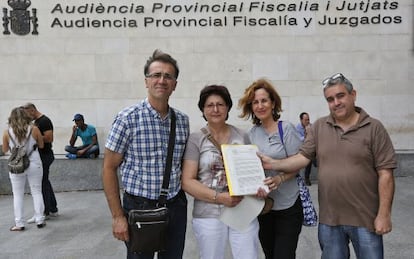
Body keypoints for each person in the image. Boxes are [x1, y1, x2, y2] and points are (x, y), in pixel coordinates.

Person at [258, 73, 396, 259]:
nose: (336, 102)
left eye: (340, 96)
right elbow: (301, 158)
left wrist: (384, 214)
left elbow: (385, 174)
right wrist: (274, 163)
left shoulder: (374, 128)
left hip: (366, 220)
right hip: (330, 221)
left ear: (353, 94)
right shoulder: (319, 127)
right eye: (330, 99)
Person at [102, 49, 189, 259]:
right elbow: (109, 168)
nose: (162, 80)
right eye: (156, 75)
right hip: (139, 208)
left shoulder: (183, 121)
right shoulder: (127, 119)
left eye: (168, 76)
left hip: (175, 207)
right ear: (146, 81)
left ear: (175, 84)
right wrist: (117, 217)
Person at [181, 85, 260, 259]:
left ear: (228, 108)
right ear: (203, 109)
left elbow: (251, 172)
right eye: (210, 105)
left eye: (220, 104)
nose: (215, 109)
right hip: (208, 213)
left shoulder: (242, 136)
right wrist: (219, 197)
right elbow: (187, 181)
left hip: (242, 209)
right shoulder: (196, 139)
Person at [238, 79, 303, 259]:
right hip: (264, 207)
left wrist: (280, 178)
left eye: (264, 100)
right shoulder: (251, 134)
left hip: (288, 206)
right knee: (270, 254)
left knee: (284, 255)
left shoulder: (286, 129)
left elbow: (299, 163)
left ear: (273, 103)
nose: (260, 106)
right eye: (255, 102)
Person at [2, 107, 46, 230]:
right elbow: (41, 145)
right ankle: (39, 219)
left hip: (16, 164)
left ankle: (19, 223)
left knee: (17, 194)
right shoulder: (35, 129)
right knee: (37, 191)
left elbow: (5, 150)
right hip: (34, 162)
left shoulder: (7, 132)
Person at [23, 103, 59, 221]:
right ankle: (52, 209)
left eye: (27, 113)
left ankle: (45, 211)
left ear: (32, 110)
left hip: (45, 155)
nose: (26, 117)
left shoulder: (44, 121)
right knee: (45, 182)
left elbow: (49, 138)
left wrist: (34, 137)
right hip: (41, 155)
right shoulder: (37, 122)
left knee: (42, 182)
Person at [296, 112, 314, 186]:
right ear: (301, 120)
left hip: (310, 149)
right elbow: (298, 139)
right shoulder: (297, 128)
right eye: (306, 120)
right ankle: (302, 179)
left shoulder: (311, 127)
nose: (308, 121)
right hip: (300, 149)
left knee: (311, 158)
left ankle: (307, 178)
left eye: (308, 119)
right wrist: (306, 135)